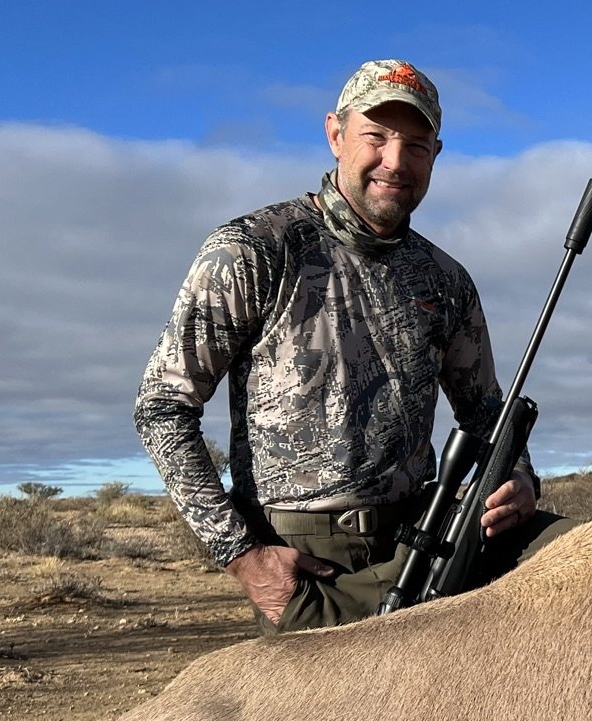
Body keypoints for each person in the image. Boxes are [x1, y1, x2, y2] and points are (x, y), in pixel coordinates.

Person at [136, 59, 570, 632]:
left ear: (436, 155)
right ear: (335, 135)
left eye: (416, 145)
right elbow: (163, 408)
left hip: (430, 533)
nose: (395, 161)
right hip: (313, 567)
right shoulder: (253, 249)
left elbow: (487, 411)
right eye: (377, 136)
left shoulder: (446, 279)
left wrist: (517, 476)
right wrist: (242, 554)